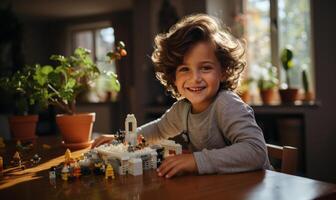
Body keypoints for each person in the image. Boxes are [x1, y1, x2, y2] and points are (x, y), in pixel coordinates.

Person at [92, 13, 272, 178]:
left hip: (256, 188)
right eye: (185, 69)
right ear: (173, 77)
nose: (195, 78)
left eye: (206, 67)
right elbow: (158, 130)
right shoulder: (182, 109)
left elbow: (256, 151)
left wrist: (195, 161)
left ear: (223, 72)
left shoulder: (226, 103)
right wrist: (122, 139)